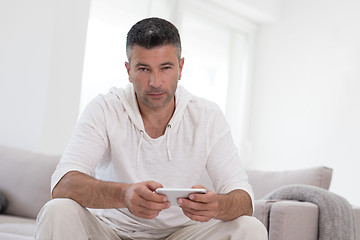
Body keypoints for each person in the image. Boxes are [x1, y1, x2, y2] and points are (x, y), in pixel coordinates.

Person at [36, 17, 267, 240]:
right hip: (110, 232)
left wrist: (218, 206)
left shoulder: (207, 116)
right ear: (128, 70)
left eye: (165, 68)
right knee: (58, 210)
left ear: (181, 67)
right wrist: (124, 194)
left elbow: (244, 199)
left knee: (249, 228)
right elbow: (62, 185)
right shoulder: (105, 108)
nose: (155, 82)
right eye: (144, 69)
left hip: (180, 234)